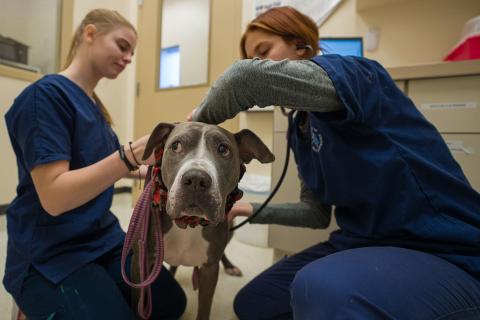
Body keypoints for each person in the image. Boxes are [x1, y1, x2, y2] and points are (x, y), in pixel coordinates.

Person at [188, 6, 480, 320]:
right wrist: (246, 209)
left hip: (440, 249)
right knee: (254, 302)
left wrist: (186, 137)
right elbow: (314, 213)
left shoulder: (358, 74)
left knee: (321, 288)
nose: (257, 63)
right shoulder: (300, 128)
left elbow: (244, 79)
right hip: (358, 243)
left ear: (301, 46)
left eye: (262, 52)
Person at [4, 9, 186, 320]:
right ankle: (32, 303)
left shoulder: (93, 106)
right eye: (122, 45)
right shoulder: (45, 97)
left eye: (132, 52)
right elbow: (55, 197)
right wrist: (130, 153)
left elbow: (100, 166)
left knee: (171, 304)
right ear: (90, 34)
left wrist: (161, 171)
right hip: (52, 252)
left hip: (103, 238)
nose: (128, 58)